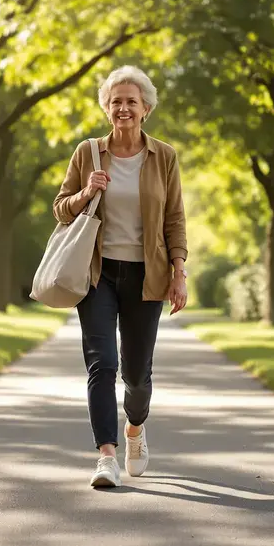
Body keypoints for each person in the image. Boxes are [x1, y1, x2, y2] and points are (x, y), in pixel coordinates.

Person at [52, 65, 189, 488]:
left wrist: (179, 271)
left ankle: (135, 429)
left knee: (136, 374)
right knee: (101, 364)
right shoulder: (88, 152)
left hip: (148, 275)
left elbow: (175, 219)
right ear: (106, 108)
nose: (123, 108)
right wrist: (85, 192)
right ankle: (105, 457)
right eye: (116, 101)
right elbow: (60, 208)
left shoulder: (163, 156)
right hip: (96, 274)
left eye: (131, 101)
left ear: (145, 108)